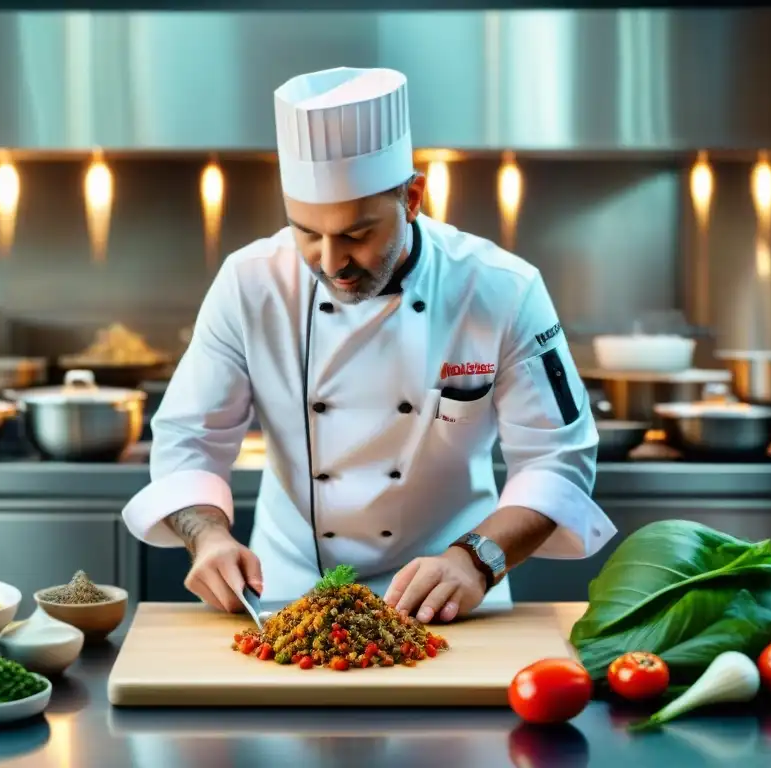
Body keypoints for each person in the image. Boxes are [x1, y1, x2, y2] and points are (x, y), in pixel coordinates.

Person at [123, 66, 616, 624]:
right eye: (306, 232)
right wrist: (207, 537)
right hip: (288, 595)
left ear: (412, 197)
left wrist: (475, 561)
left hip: (453, 594)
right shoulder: (250, 283)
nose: (331, 263)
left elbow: (558, 459)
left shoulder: (503, 288)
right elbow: (190, 438)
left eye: (356, 234)